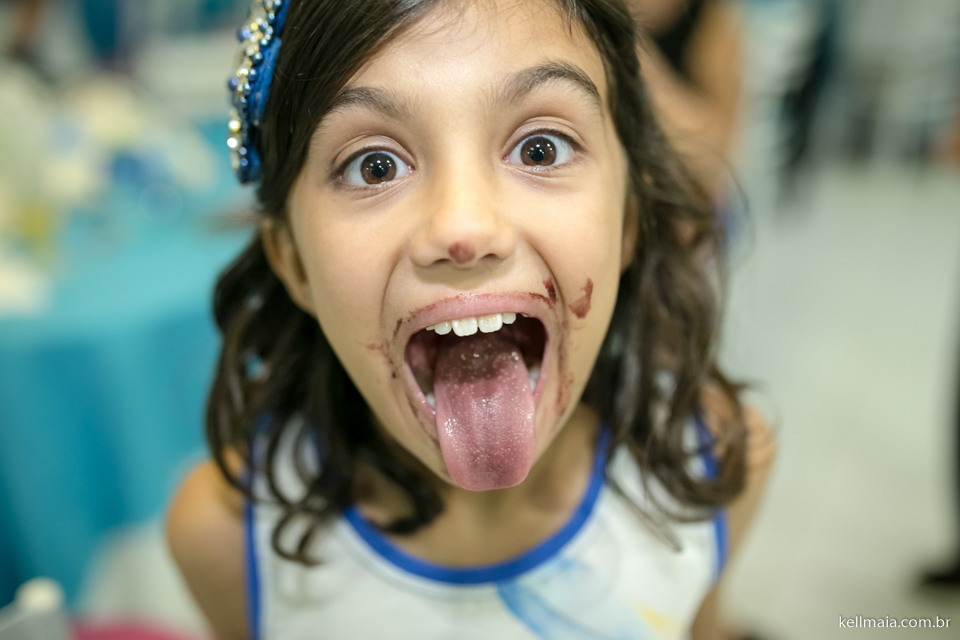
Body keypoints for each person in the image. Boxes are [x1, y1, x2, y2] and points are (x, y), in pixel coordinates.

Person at [165, 1, 775, 638]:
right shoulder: (225, 537)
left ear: (627, 218)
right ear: (291, 261)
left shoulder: (720, 463)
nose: (464, 227)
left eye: (540, 149)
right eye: (374, 165)